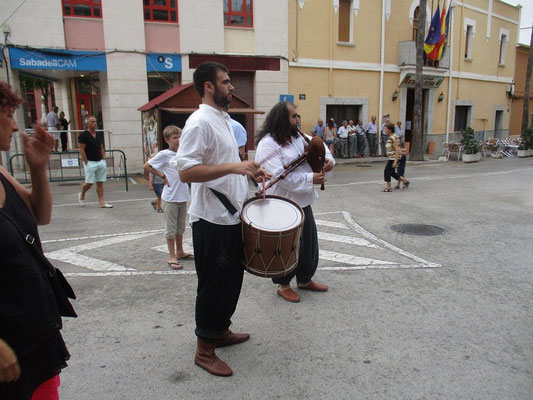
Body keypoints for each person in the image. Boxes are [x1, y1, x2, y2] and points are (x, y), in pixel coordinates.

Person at [170, 62, 269, 377]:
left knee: (230, 281)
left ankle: (220, 330)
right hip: (211, 218)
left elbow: (226, 162)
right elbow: (185, 171)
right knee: (213, 284)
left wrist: (249, 169)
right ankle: (204, 349)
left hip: (231, 216)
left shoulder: (223, 120)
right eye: (226, 82)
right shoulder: (199, 122)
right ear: (209, 86)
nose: (232, 87)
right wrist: (235, 168)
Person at [0, 81, 71, 399]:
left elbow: (39, 214)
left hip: (31, 325)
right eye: (7, 114)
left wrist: (38, 169)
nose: (15, 125)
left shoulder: (1, 173)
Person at [255, 101, 335, 303]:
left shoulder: (299, 137)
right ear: (282, 119)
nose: (297, 120)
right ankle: (283, 285)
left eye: (297, 115)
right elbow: (278, 176)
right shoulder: (268, 144)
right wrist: (311, 179)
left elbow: (321, 147)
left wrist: (328, 161)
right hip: (282, 203)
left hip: (302, 201)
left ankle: (305, 279)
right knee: (285, 246)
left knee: (308, 243)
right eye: (293, 116)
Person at [144, 125, 192, 270]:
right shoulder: (164, 154)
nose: (178, 140)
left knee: (180, 227)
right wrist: (162, 176)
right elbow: (147, 166)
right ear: (167, 140)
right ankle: (172, 255)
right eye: (174, 138)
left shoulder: (184, 152)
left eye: (179, 137)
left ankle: (180, 251)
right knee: (170, 229)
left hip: (182, 195)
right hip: (170, 197)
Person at [77, 115, 113, 208]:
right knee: (89, 183)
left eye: (95, 121)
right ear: (88, 124)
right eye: (92, 122)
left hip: (100, 161)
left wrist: (103, 158)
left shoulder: (99, 134)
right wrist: (86, 162)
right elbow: (81, 149)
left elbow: (101, 147)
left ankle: (102, 202)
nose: (95, 123)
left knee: (100, 182)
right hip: (90, 162)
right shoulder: (83, 135)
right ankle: (82, 194)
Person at [382, 122, 410, 192]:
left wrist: (395, 161)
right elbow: (397, 148)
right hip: (392, 157)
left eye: (386, 129)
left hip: (394, 157)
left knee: (387, 171)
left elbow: (397, 149)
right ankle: (405, 181)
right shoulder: (392, 136)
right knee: (391, 172)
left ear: (390, 130)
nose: (385, 130)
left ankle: (389, 187)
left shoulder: (393, 137)